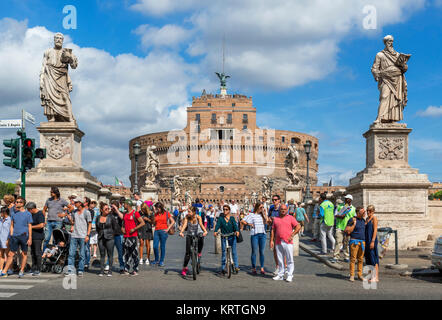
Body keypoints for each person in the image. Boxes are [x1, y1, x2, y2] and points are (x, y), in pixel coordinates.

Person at [1, 196, 33, 278]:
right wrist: (11, 233)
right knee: (10, 254)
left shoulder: (28, 214)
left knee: (24, 254)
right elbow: (11, 224)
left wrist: (30, 238)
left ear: (22, 204)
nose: (16, 203)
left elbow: (30, 226)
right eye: (16, 202)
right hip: (14, 236)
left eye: (18, 202)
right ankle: (4, 271)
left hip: (24, 236)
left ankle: (21, 270)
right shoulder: (13, 213)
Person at [270, 204, 300, 282]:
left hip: (288, 241)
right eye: (281, 209)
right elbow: (273, 230)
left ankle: (290, 275)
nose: (283, 210)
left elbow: (298, 226)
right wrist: (271, 240)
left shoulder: (291, 218)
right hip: (278, 241)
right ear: (279, 210)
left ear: (287, 210)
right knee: (280, 259)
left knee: (290, 259)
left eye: (284, 209)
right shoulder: (276, 219)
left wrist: (292, 234)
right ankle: (280, 275)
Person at [240, 202, 269, 275]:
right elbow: (242, 221)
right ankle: (253, 268)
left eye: (262, 207)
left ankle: (262, 268)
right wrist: (249, 224)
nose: (262, 209)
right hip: (255, 235)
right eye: (260, 207)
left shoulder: (262, 215)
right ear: (257, 207)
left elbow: (267, 222)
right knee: (254, 252)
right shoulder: (251, 215)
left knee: (262, 252)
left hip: (263, 234)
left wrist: (265, 214)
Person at [65, 198, 91, 277]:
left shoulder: (87, 212)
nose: (74, 204)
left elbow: (89, 224)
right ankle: (70, 270)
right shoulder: (74, 212)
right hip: (74, 235)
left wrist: (87, 235)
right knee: (71, 253)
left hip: (83, 236)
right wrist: (69, 219)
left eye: (76, 202)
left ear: (80, 203)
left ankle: (80, 269)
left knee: (82, 254)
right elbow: (73, 222)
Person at [179, 206, 208, 277]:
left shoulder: (198, 217)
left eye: (189, 211)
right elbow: (185, 225)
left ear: (193, 212)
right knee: (188, 252)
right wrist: (181, 232)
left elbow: (201, 224)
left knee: (201, 238)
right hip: (189, 234)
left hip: (197, 233)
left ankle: (199, 252)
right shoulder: (187, 217)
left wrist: (205, 231)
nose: (187, 213)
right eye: (188, 211)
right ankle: (185, 268)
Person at [96, 203, 121, 276]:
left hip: (110, 237)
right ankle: (101, 271)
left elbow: (115, 227)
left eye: (108, 209)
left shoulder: (111, 217)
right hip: (101, 237)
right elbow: (97, 228)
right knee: (102, 254)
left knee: (110, 254)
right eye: (106, 209)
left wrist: (111, 234)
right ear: (101, 210)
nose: (107, 210)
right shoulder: (98, 217)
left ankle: (110, 271)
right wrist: (100, 233)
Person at [214, 204, 240, 274]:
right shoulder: (221, 219)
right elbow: (217, 225)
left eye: (226, 209)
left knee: (234, 251)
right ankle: (223, 267)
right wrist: (215, 231)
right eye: (224, 209)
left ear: (229, 210)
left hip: (232, 236)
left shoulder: (231, 218)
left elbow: (235, 225)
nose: (225, 211)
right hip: (224, 236)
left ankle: (236, 266)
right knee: (223, 252)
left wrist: (237, 231)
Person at [122, 199, 145, 275]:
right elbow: (123, 223)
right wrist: (122, 228)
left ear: (128, 205)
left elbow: (142, 223)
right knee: (126, 253)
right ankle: (126, 268)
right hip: (125, 236)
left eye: (124, 204)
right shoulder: (125, 213)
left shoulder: (135, 213)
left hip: (133, 236)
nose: (123, 205)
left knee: (134, 253)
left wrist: (135, 228)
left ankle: (135, 269)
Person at [42, 187, 69, 251]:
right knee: (46, 239)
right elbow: (44, 210)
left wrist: (64, 214)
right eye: (50, 192)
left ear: (56, 193)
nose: (51, 193)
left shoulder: (62, 200)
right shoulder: (48, 200)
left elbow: (71, 208)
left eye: (52, 192)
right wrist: (44, 219)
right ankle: (44, 255)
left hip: (58, 222)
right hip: (49, 222)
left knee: (56, 239)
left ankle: (54, 254)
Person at [345, 207, 366, 282]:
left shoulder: (364, 220)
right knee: (353, 259)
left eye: (365, 212)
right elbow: (347, 231)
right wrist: (354, 224)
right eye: (363, 212)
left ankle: (360, 275)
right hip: (354, 241)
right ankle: (352, 275)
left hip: (362, 242)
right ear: (358, 213)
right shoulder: (352, 220)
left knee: (360, 259)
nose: (365, 213)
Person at [332, 195, 356, 263]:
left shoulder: (353, 208)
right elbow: (335, 215)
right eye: (345, 199)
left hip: (348, 228)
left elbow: (354, 218)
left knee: (347, 243)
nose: (345, 200)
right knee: (338, 242)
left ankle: (346, 256)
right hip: (339, 226)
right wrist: (340, 216)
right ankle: (336, 256)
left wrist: (352, 226)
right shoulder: (340, 206)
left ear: (350, 200)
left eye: (347, 199)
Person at [152, 202, 175, 267]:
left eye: (158, 208)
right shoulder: (155, 214)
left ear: (161, 208)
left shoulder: (167, 213)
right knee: (155, 246)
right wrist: (154, 213)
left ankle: (161, 261)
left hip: (163, 231)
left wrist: (168, 228)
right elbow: (153, 223)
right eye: (156, 208)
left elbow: (173, 221)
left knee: (162, 246)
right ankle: (156, 259)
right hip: (156, 231)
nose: (157, 210)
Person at [27, 202, 45, 276]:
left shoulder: (40, 214)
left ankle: (38, 269)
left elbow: (41, 225)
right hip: (32, 236)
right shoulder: (31, 215)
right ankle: (33, 268)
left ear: (32, 209)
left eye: (28, 210)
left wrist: (31, 227)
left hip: (38, 236)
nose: (28, 211)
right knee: (32, 253)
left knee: (37, 253)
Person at [268, 194, 282, 275]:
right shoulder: (271, 208)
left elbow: (285, 219)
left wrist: (275, 219)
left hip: (281, 231)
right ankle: (277, 266)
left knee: (283, 250)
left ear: (279, 200)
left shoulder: (282, 208)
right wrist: (269, 220)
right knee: (275, 250)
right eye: (273, 199)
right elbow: (269, 220)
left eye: (276, 199)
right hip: (273, 231)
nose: (274, 201)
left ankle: (284, 266)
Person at [110, 200, 125, 274]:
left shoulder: (120, 213)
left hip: (119, 235)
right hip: (110, 235)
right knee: (110, 251)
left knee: (120, 252)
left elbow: (122, 218)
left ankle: (122, 266)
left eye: (113, 206)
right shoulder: (109, 213)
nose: (112, 208)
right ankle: (108, 265)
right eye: (111, 206)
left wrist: (117, 210)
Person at [365, 205, 379, 282]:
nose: (368, 212)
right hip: (367, 240)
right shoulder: (367, 219)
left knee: (374, 259)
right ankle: (371, 276)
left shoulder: (374, 218)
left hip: (372, 240)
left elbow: (375, 230)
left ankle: (376, 277)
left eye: (370, 211)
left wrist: (373, 241)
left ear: (373, 211)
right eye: (367, 211)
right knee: (368, 259)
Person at [0, 207, 11, 272]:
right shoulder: (1, 220)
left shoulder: (9, 220)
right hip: (1, 240)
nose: (0, 213)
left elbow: (10, 230)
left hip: (7, 239)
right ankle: (1, 269)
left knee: (8, 255)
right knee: (1, 255)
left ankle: (8, 269)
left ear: (4, 212)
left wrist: (8, 239)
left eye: (1, 212)